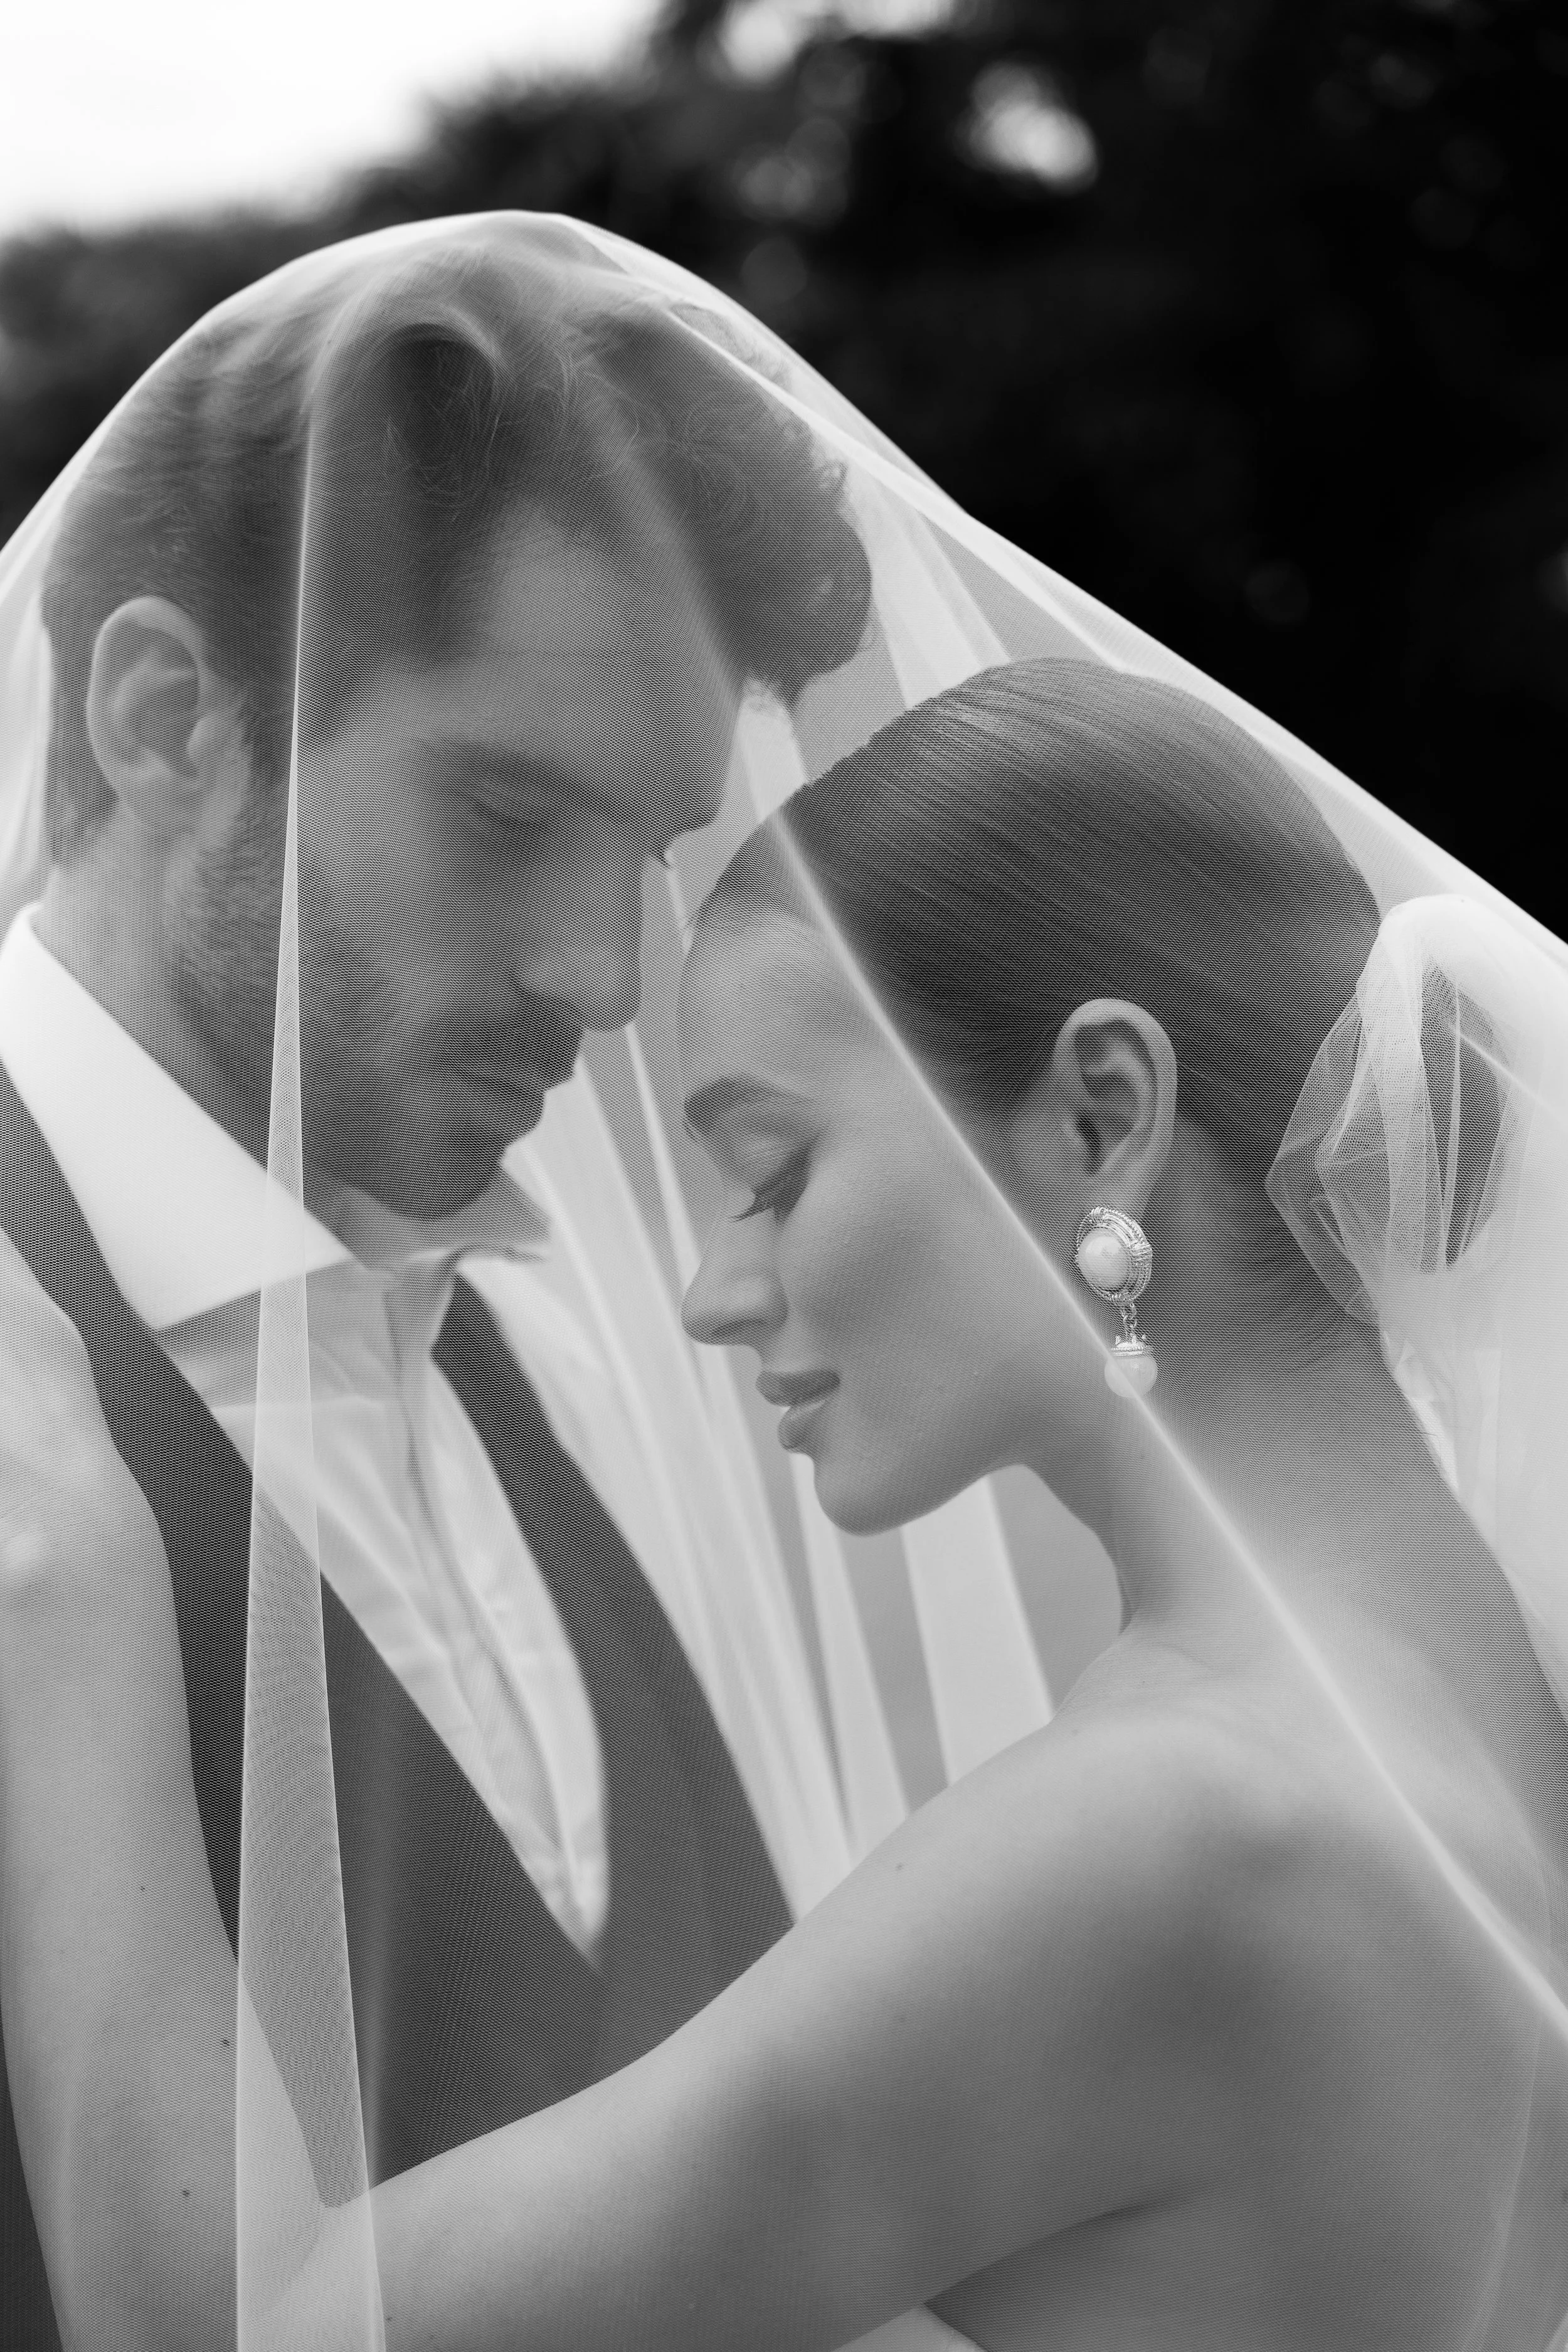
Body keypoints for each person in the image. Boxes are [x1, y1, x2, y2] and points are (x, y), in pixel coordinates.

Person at [4, 655, 1567, 2350]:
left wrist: (61, 1560)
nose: (710, 1289)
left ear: (1103, 1118)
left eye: (771, 1167)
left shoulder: (1160, 1838)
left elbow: (218, 2321)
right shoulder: (1454, 1687)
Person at [0, 218, 877, 2349]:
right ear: (161, 724)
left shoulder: (552, 1338)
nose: (595, 978)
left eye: (653, 845)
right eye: (499, 823)